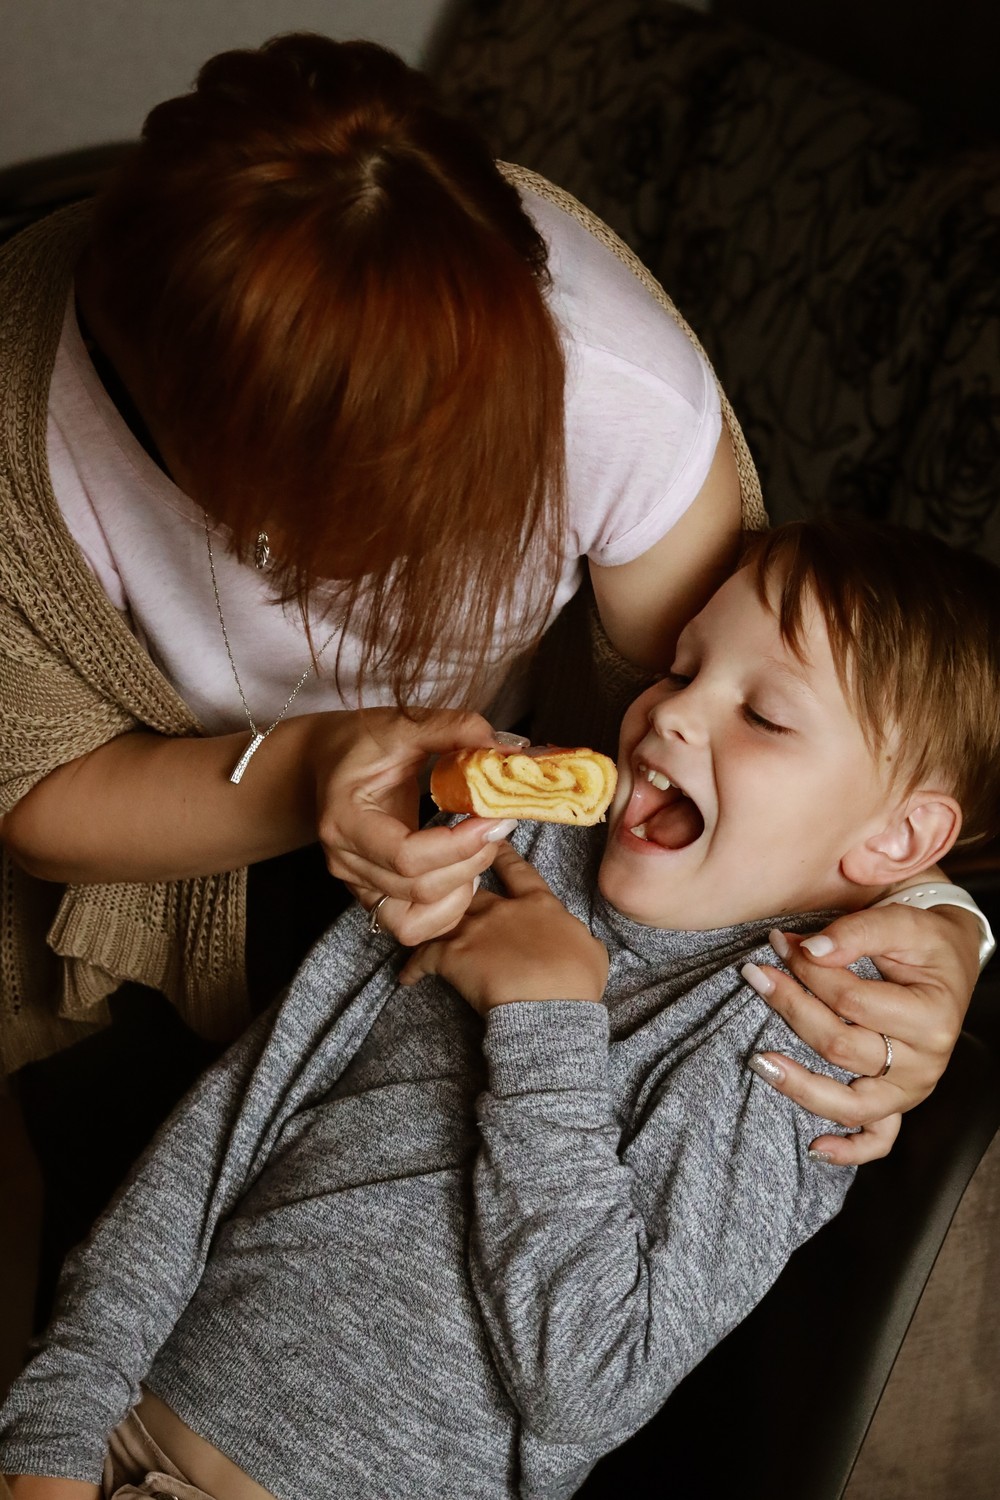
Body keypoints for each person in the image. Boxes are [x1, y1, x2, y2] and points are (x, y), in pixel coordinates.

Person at [0, 33, 984, 1251]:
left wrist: (935, 916)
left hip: (522, 876)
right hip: (166, 846)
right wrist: (313, 771)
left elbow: (791, 722)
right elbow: (40, 794)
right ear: (232, 485)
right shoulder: (23, 431)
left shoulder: (615, 382)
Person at [2, 517, 998, 1500]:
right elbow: (234, 1125)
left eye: (766, 715)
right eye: (682, 668)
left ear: (898, 837)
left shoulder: (803, 1032)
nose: (672, 715)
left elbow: (588, 1388)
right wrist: (55, 1425)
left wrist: (544, 1023)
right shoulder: (499, 834)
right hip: (117, 1433)